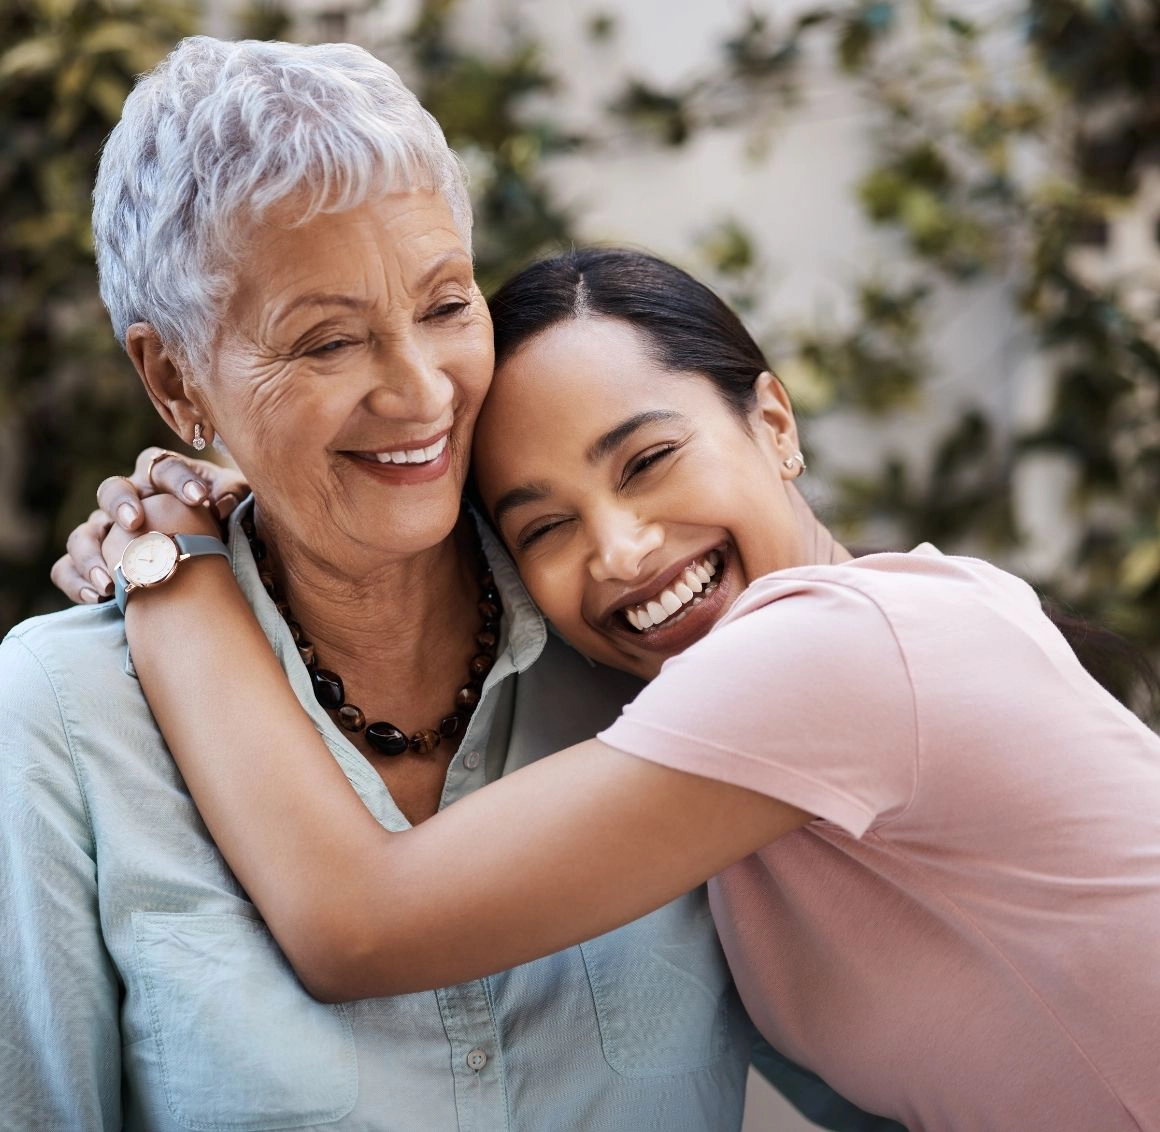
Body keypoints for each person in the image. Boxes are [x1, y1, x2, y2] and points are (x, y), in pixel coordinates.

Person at [1, 37, 895, 1132]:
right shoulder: (63, 715)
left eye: (443, 306)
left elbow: (914, 1067)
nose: (419, 392)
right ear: (174, 377)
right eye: (328, 341)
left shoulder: (638, 636)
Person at [58, 248, 1160, 1132]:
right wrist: (278, 489)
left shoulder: (841, 651)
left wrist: (175, 566)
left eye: (646, 460)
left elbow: (355, 925)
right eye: (544, 525)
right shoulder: (710, 743)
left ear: (772, 423)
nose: (623, 550)